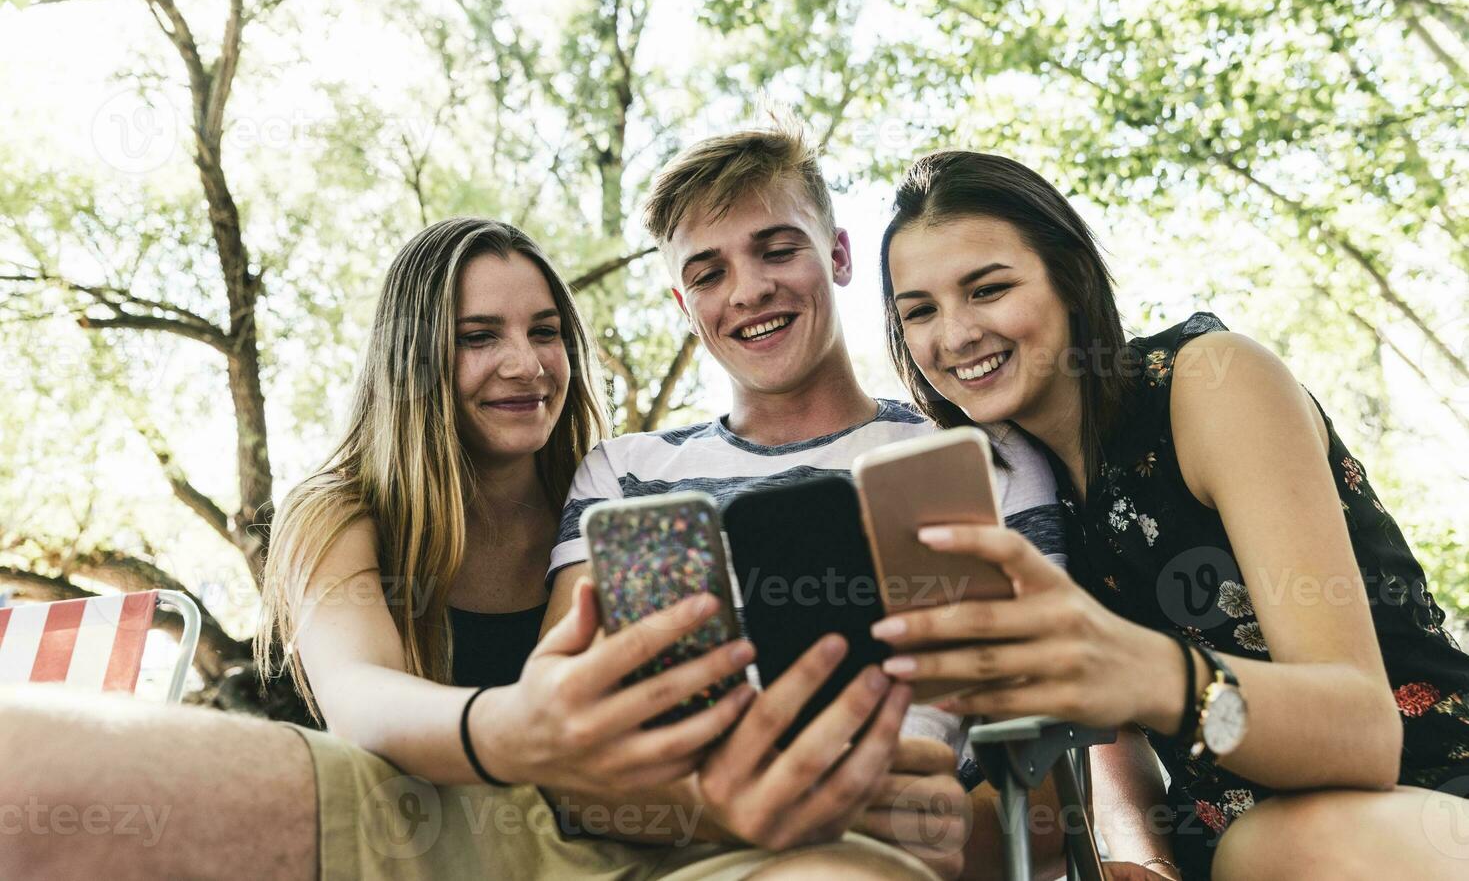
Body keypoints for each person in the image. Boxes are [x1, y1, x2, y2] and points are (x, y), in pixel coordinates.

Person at [0, 217, 904, 880]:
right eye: (478, 338)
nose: (525, 365)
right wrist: (515, 729)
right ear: (414, 357)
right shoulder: (343, 509)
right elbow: (359, 697)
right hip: (415, 825)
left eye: (544, 332)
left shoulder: (615, 497)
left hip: (626, 842)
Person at [872, 150, 1469, 880]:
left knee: (1266, 848)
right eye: (920, 312)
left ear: (1071, 277)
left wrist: (1145, 672)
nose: (955, 334)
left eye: (987, 289)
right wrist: (1149, 865)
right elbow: (1114, 749)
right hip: (1228, 851)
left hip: (1419, 799)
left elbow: (1362, 733)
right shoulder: (1011, 494)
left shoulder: (1211, 384)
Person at [539, 121, 1079, 881]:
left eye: (776, 249)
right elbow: (556, 753)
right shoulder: (622, 477)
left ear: (839, 255)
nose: (749, 290)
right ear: (681, 304)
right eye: (706, 272)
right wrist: (743, 806)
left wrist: (958, 831)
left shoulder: (978, 460)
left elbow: (1053, 801)